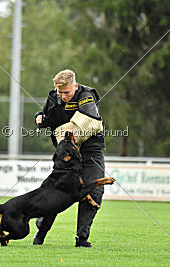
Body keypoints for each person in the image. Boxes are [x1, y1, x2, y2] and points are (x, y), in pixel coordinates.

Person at [33, 69, 106, 248]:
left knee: (95, 190)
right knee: (53, 195)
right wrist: (39, 118)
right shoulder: (53, 97)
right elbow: (46, 118)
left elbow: (90, 117)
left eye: (66, 92)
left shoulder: (86, 95)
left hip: (90, 153)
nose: (63, 96)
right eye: (60, 92)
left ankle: (82, 239)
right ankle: (41, 232)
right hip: (66, 156)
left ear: (75, 85)